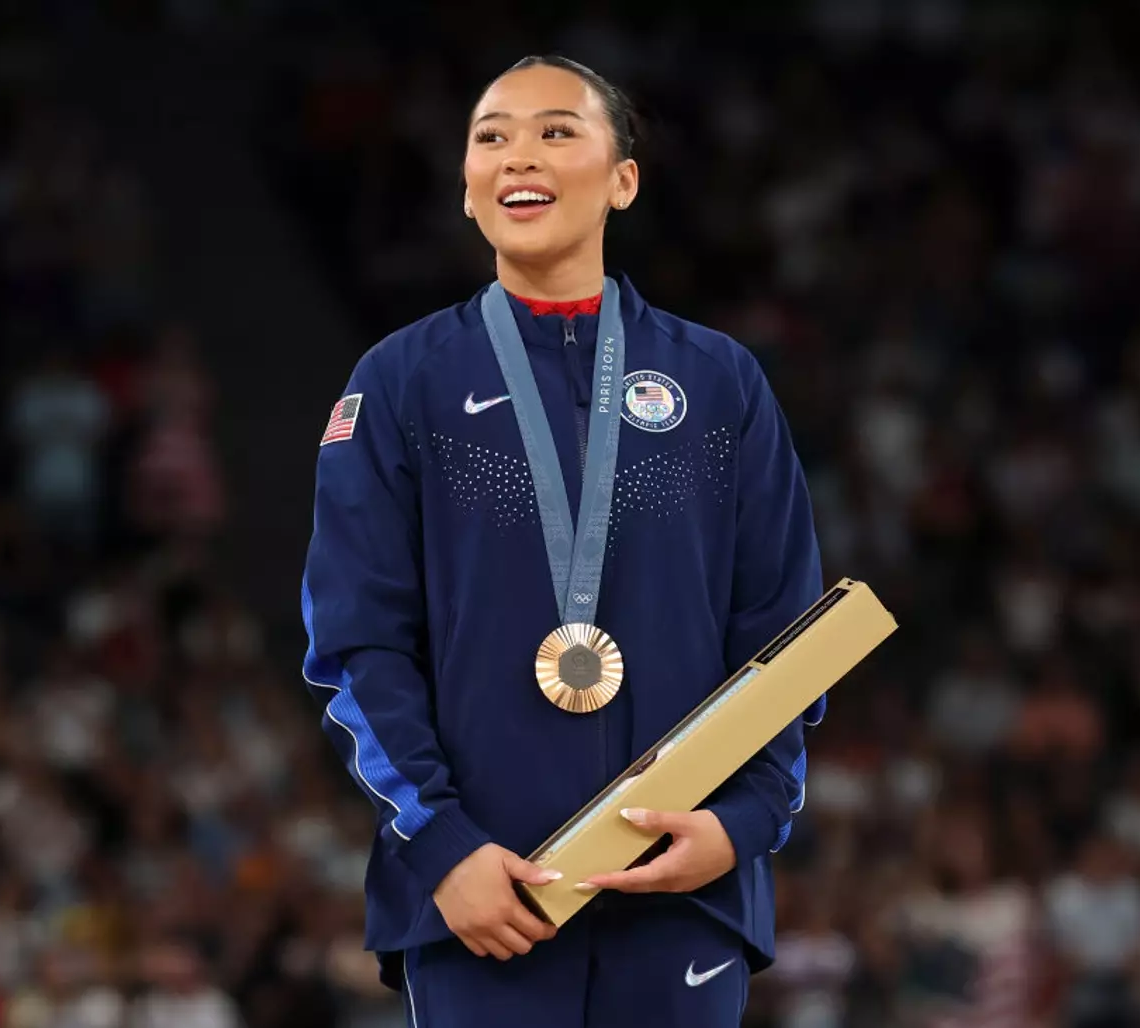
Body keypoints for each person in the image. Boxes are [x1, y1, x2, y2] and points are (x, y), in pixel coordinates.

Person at [300, 54, 826, 1028]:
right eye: (489, 136)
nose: (516, 157)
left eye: (555, 130)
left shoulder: (718, 383)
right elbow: (354, 641)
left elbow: (787, 637)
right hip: (481, 897)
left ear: (623, 177)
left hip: (682, 889)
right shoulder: (401, 381)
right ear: (465, 186)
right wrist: (441, 842)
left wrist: (742, 821)